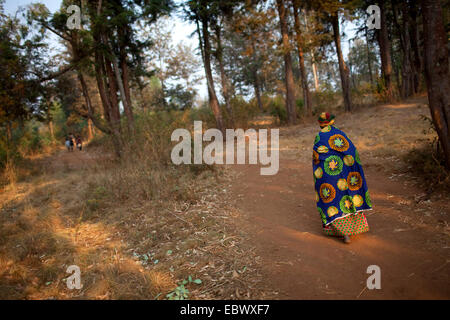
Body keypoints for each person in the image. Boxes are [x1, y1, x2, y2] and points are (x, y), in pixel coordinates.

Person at [312, 112, 372, 244]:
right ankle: (353, 229)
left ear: (321, 124)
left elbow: (317, 157)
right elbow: (351, 151)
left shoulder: (319, 136)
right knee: (347, 196)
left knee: (334, 199)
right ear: (332, 122)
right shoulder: (340, 134)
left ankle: (343, 233)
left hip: (329, 175)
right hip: (345, 173)